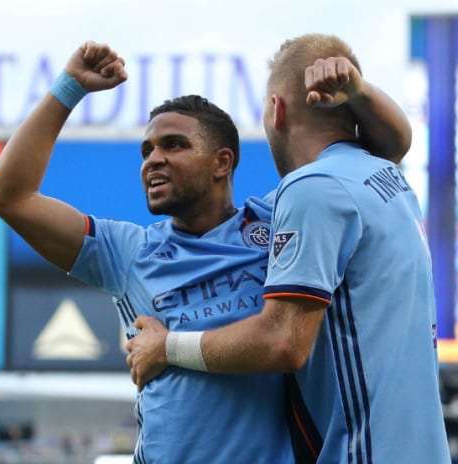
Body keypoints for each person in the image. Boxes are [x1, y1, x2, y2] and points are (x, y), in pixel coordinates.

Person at [0, 40, 411, 463]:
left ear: (221, 163)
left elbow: (387, 148)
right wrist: (69, 88)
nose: (152, 160)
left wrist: (359, 90)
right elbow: (9, 195)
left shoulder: (282, 218)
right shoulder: (127, 252)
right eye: (146, 150)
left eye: (174, 145)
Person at [126, 33, 450, 463]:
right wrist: (361, 91)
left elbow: (283, 342)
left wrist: (165, 348)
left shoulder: (311, 189)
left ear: (276, 110)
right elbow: (399, 140)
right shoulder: (384, 175)